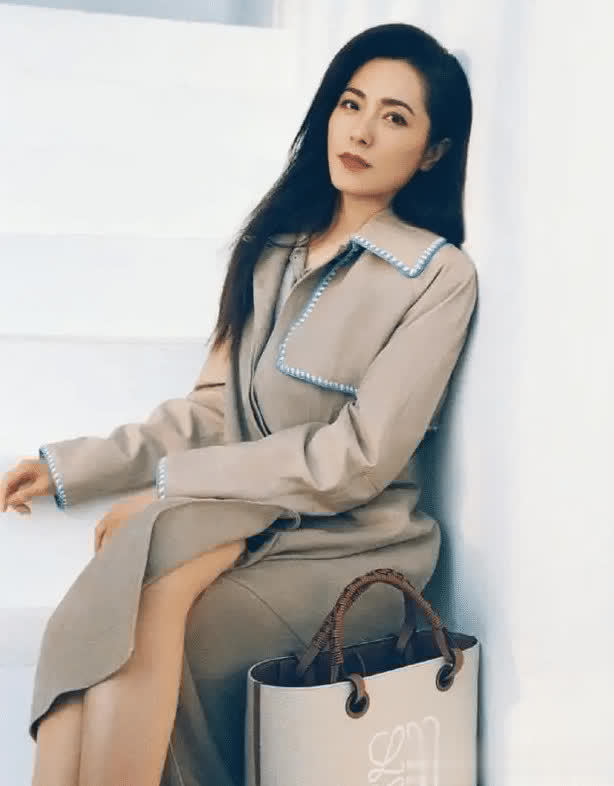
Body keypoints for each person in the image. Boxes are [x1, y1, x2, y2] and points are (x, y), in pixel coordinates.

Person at [0, 21, 477, 786]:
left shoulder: (437, 276)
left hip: (348, 539)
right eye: (350, 104)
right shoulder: (273, 249)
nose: (360, 131)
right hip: (246, 518)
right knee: (110, 606)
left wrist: (174, 487)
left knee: (165, 602)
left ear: (432, 151)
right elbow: (211, 412)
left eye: (394, 117)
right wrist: (73, 469)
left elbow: (358, 458)